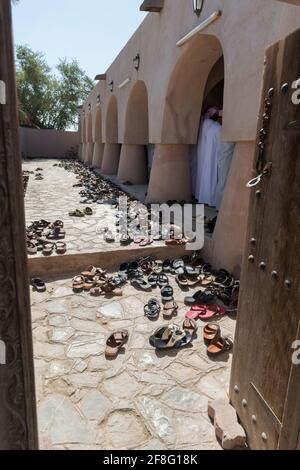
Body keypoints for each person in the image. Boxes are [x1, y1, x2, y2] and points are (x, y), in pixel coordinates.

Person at [194, 107, 221, 207]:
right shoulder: (217, 127)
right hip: (214, 156)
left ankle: (205, 198)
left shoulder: (209, 126)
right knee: (212, 177)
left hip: (206, 154)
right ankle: (211, 200)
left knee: (206, 176)